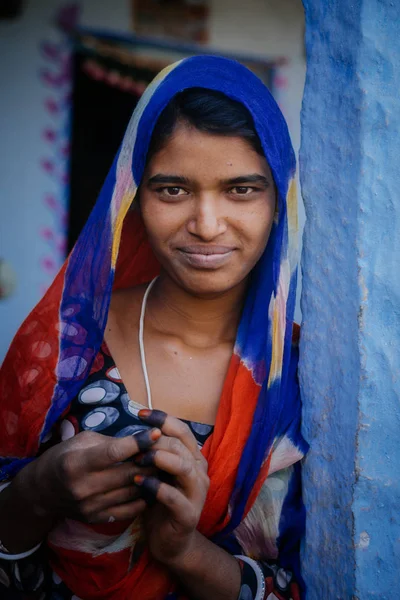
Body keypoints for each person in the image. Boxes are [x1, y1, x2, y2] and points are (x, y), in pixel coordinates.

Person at [0, 55, 308, 600]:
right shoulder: (66, 344)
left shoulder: (306, 380)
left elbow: (308, 585)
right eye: (172, 190)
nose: (207, 225)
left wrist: (184, 551)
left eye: (241, 189)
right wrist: (37, 492)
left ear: (280, 201)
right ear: (133, 198)